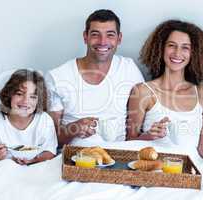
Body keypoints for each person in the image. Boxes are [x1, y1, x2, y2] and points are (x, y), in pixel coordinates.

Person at [46, 9, 144, 147]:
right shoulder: (57, 77)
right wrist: (72, 129)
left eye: (110, 35)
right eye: (95, 34)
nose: (103, 42)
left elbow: (136, 130)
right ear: (85, 37)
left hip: (118, 158)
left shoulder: (129, 69)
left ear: (119, 38)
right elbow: (49, 139)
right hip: (73, 160)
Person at [126, 19, 203, 149]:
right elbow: (129, 142)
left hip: (192, 167)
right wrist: (148, 136)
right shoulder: (143, 91)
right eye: (171, 45)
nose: (177, 53)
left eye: (185, 47)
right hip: (155, 167)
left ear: (193, 54)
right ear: (161, 48)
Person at [0, 69, 58, 170]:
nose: (25, 101)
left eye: (33, 97)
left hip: (35, 171)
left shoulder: (44, 120)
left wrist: (32, 161)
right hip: (3, 173)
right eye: (19, 94)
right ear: (9, 94)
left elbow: (50, 152)